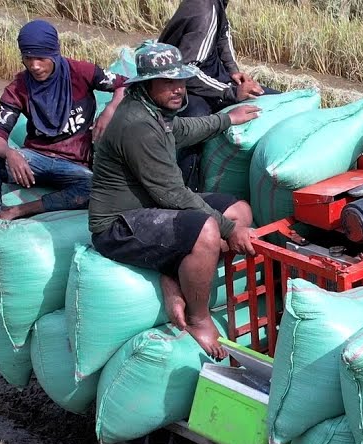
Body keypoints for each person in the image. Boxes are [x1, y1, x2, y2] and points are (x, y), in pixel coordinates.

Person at [88, 41, 262, 361]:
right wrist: (227, 229)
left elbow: (181, 129)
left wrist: (226, 120)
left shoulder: (156, 110)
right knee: (210, 230)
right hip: (119, 223)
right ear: (147, 84)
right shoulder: (137, 124)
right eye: (168, 82)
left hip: (152, 206)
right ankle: (197, 318)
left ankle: (175, 273)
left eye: (180, 80)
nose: (178, 89)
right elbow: (172, 193)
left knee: (241, 210)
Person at [0, 19, 123, 233]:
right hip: (35, 161)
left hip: (76, 166)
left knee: (100, 189)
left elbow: (125, 84)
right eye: (28, 58)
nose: (34, 66)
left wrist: (109, 110)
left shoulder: (81, 72)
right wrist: (10, 153)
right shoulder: (18, 88)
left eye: (41, 58)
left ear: (55, 53)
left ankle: (18, 211)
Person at [156, 0, 275, 188]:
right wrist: (230, 92)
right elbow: (187, 70)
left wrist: (233, 70)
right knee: (196, 120)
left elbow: (222, 37)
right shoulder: (204, 12)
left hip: (208, 73)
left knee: (269, 96)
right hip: (182, 82)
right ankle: (185, 186)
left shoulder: (216, 6)